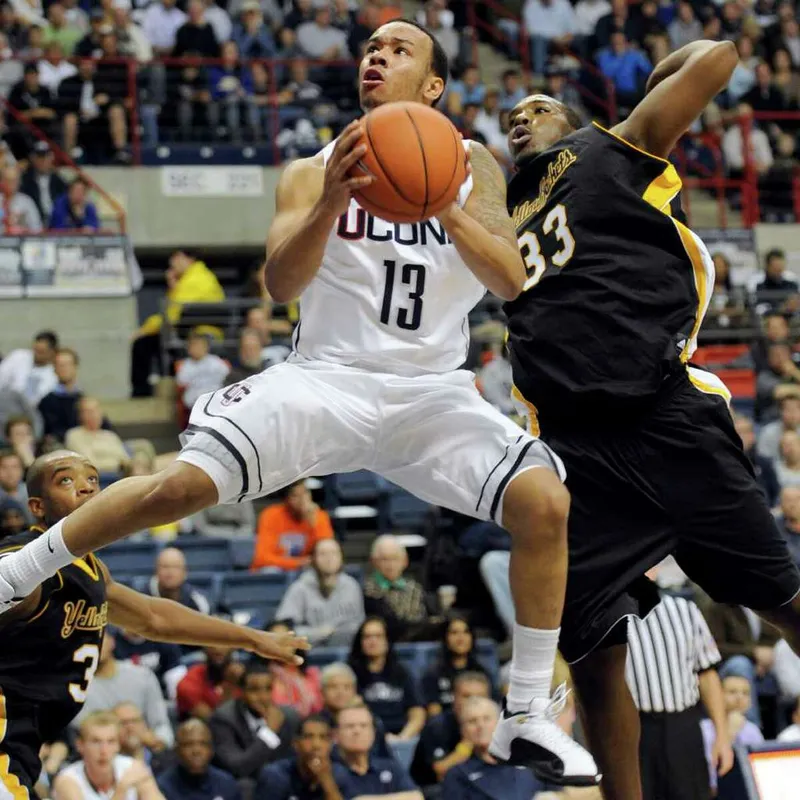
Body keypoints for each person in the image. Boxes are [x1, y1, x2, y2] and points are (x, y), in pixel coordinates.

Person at [0, 17, 598, 786]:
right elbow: (280, 284)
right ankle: (19, 574)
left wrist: (441, 205)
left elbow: (511, 279)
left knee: (547, 504)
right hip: (325, 377)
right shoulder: (310, 166)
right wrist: (330, 203)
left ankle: (524, 718)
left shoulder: (474, 164)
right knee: (181, 485)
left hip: (431, 394)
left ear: (437, 85)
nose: (376, 57)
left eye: (399, 49)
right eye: (371, 48)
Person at [502, 37, 800, 800]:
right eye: (509, 115)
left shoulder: (610, 151)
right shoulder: (499, 213)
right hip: (576, 449)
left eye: (533, 109)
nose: (515, 119)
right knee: (592, 652)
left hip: (663, 417)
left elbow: (720, 56)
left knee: (782, 598)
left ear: (574, 124)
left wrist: (638, 101)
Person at [0, 450, 304, 796]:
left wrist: (250, 638)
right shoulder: (24, 561)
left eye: (93, 479)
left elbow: (153, 617)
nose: (84, 487)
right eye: (66, 480)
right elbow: (9, 577)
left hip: (24, 741)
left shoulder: (92, 571)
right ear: (37, 506)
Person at [626, 588, 732, 800]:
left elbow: (707, 674)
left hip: (683, 725)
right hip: (633, 729)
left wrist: (722, 736)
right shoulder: (604, 616)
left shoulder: (686, 610)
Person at [130, 249, 225, 398]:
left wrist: (144, 330)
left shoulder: (196, 279)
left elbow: (171, 316)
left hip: (200, 333)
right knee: (150, 342)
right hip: (186, 331)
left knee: (143, 343)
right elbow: (170, 312)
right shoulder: (190, 279)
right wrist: (173, 286)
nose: (173, 266)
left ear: (189, 260)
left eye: (177, 260)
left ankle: (141, 392)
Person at [209, 660, 300, 781]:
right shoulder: (224, 719)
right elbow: (237, 768)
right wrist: (270, 732)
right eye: (254, 690)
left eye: (268, 689)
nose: (263, 697)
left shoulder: (289, 716)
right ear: (241, 691)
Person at [441, 697, 546, 800]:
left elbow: (557, 794)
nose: (480, 726)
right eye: (472, 721)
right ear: (463, 730)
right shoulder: (457, 775)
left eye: (486, 718)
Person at [51, 711, 165, 800]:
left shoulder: (133, 768)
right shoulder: (67, 781)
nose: (104, 750)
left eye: (111, 741)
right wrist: (121, 790)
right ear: (80, 745)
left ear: (118, 745)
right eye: (96, 742)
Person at [275, 538, 365, 647]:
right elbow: (285, 627)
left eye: (334, 553)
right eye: (323, 554)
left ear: (341, 558)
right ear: (313, 559)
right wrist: (319, 633)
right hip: (310, 650)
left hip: (346, 647)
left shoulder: (351, 586)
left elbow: (360, 625)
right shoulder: (300, 588)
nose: (329, 559)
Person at [410, 671, 492, 788]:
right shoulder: (437, 726)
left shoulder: (495, 723)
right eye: (466, 696)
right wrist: (468, 742)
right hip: (434, 789)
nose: (473, 701)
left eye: (480, 696)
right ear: (454, 697)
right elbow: (442, 772)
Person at [348, 616, 425, 740]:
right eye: (367, 637)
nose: (373, 641)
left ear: (387, 641)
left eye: (378, 636)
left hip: (400, 736)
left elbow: (417, 712)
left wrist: (402, 738)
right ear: (360, 642)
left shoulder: (403, 673)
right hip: (364, 736)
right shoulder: (350, 674)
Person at [334, 702, 422, 799]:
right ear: (336, 734)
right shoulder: (330, 772)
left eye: (364, 726)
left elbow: (416, 797)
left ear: (374, 733)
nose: (357, 731)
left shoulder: (390, 767)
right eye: (350, 726)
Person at [256, 715, 349, 800]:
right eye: (308, 737)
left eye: (323, 737)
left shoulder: (339, 774)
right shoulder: (275, 775)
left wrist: (327, 782)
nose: (316, 745)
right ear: (296, 744)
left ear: (330, 744)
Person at [252, 480, 334, 572]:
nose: (303, 500)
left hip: (305, 570)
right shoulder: (270, 515)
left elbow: (328, 552)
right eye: (295, 496)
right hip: (279, 569)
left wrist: (313, 524)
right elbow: (262, 558)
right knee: (270, 570)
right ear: (286, 499)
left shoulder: (319, 516)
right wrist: (298, 563)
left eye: (305, 492)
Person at [421, 613, 493, 717]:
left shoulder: (482, 673)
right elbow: (434, 714)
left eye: (466, 632)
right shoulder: (433, 674)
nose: (460, 638)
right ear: (445, 638)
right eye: (454, 633)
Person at [157, 719, 242, 800]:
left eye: (203, 744)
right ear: (177, 750)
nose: (196, 751)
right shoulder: (161, 789)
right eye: (188, 744)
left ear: (211, 750)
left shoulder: (226, 784)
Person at [320, 662, 391, 758]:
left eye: (347, 687)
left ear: (355, 690)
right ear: (322, 691)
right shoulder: (316, 724)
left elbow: (384, 758)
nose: (340, 692)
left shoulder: (371, 721)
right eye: (333, 687)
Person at [265, 619, 324, 716]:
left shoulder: (312, 674)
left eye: (287, 638)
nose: (283, 644)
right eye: (277, 639)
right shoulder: (261, 676)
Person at [64, 396, 130, 475]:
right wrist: (118, 465)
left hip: (123, 476)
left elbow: (126, 460)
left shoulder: (110, 435)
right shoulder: (74, 435)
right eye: (89, 411)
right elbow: (89, 464)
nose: (94, 415)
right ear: (80, 415)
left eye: (96, 410)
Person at [176, 645, 243, 719]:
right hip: (207, 727)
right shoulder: (189, 683)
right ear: (204, 647)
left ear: (234, 647)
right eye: (212, 642)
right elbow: (216, 722)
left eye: (222, 641)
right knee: (194, 727)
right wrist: (230, 687)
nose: (217, 648)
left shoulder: (245, 677)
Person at [147, 546, 211, 614]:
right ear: (156, 571)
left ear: (185, 572)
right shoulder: (142, 598)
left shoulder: (198, 601)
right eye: (165, 567)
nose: (170, 572)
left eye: (176, 567)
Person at [0, 330, 58, 405]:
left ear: (52, 352)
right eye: (35, 350)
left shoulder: (52, 376)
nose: (37, 355)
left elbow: (37, 400)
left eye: (41, 352)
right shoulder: (18, 356)